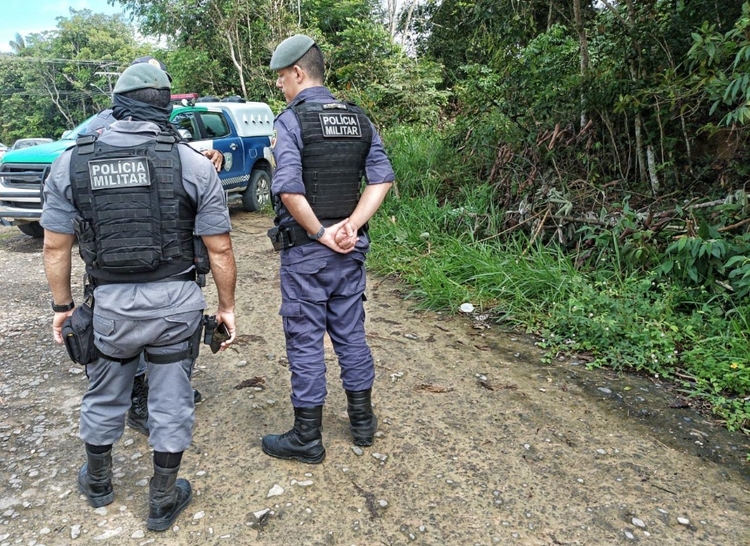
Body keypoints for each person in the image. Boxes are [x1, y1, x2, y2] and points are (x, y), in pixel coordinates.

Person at [40, 62, 237, 531]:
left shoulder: (72, 162)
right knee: (171, 401)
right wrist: (227, 308)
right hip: (177, 307)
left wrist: (64, 308)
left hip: (109, 308)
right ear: (165, 105)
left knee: (105, 393)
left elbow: (54, 244)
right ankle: (162, 500)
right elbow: (220, 246)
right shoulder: (191, 162)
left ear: (118, 104)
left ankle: (99, 483)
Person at [262, 35, 394, 464]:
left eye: (282, 78)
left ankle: (306, 437)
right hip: (350, 250)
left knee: (304, 339)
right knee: (350, 332)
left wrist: (321, 233)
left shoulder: (291, 121)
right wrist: (351, 227)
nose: (281, 87)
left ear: (298, 73)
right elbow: (381, 179)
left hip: (307, 252)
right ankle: (363, 424)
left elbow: (287, 188)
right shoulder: (360, 119)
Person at [87, 56, 223, 437]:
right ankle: (139, 399)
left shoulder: (160, 124)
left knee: (145, 333)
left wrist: (212, 157)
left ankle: (148, 398)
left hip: (158, 249)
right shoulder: (102, 125)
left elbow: (173, 156)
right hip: (125, 250)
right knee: (149, 331)